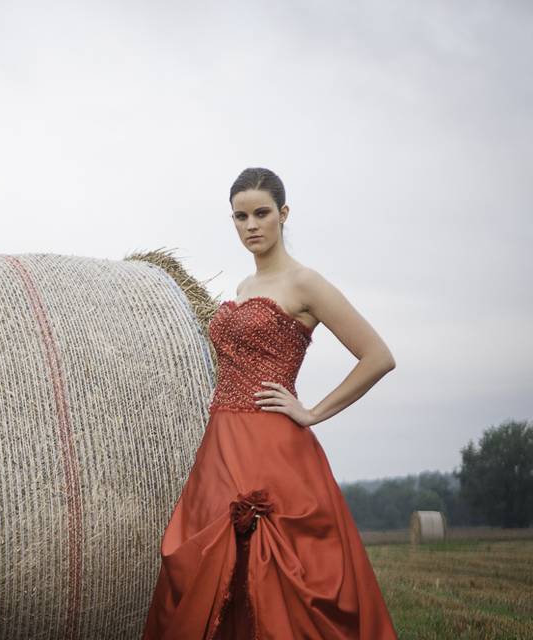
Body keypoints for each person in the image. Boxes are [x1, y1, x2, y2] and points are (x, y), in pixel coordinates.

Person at [142, 169, 398, 639]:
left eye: (261, 213)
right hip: (220, 446)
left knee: (278, 574)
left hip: (273, 447)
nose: (250, 225)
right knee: (204, 566)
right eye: (240, 217)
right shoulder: (241, 289)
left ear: (283, 214)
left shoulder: (306, 283)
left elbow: (378, 357)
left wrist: (312, 411)